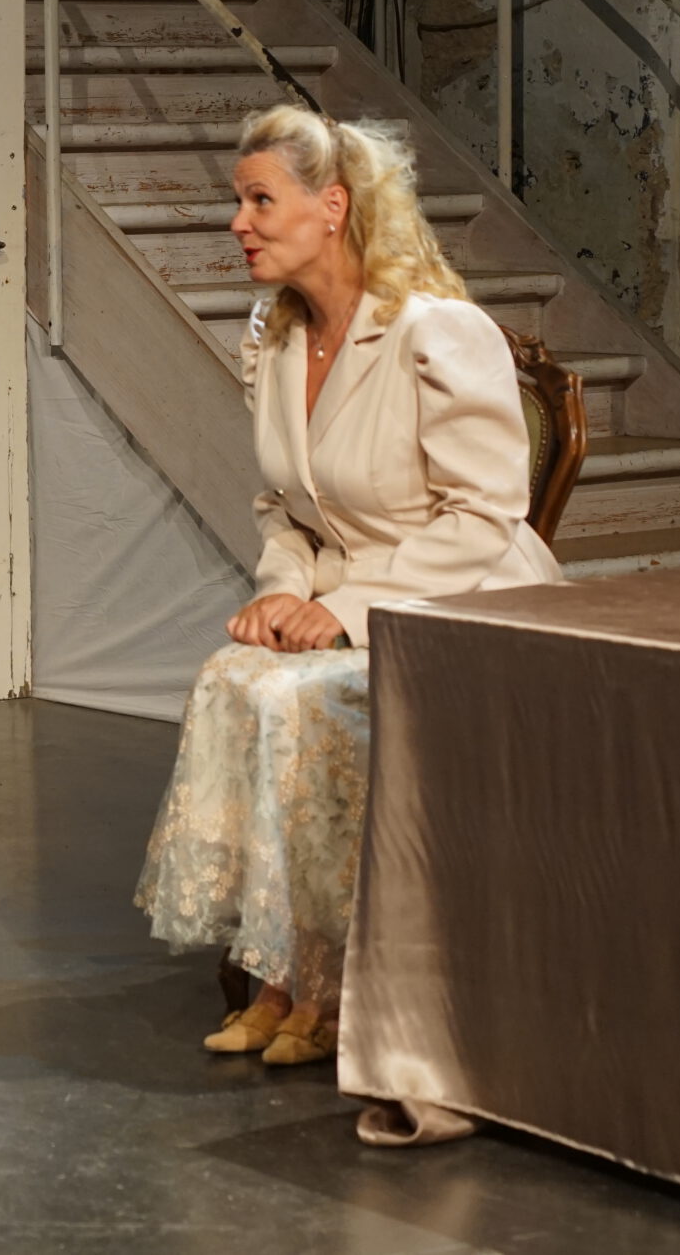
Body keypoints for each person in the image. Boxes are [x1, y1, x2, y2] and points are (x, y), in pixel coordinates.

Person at [135, 103, 561, 1066]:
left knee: (305, 704)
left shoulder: (435, 331)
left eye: (259, 201)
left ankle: (331, 983)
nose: (238, 223)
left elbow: (485, 514)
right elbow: (283, 506)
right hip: (341, 602)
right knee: (233, 677)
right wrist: (283, 588)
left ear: (332, 207)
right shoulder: (278, 336)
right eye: (239, 201)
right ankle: (282, 967)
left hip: (462, 598)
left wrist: (340, 610)